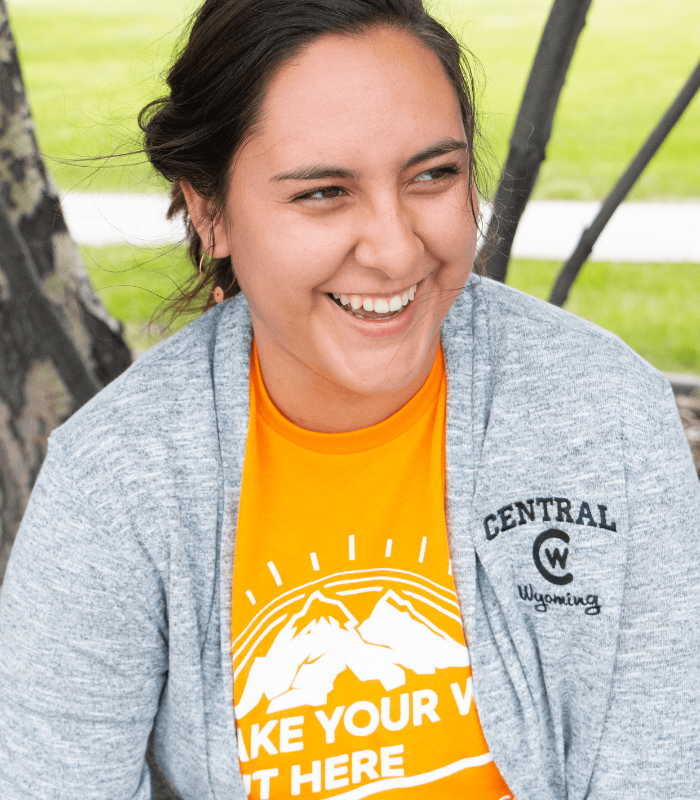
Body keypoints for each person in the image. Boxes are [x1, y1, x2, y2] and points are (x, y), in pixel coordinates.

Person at [0, 0, 698, 798]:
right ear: (209, 211)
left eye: (434, 175)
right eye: (325, 193)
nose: (397, 249)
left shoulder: (605, 417)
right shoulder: (116, 484)